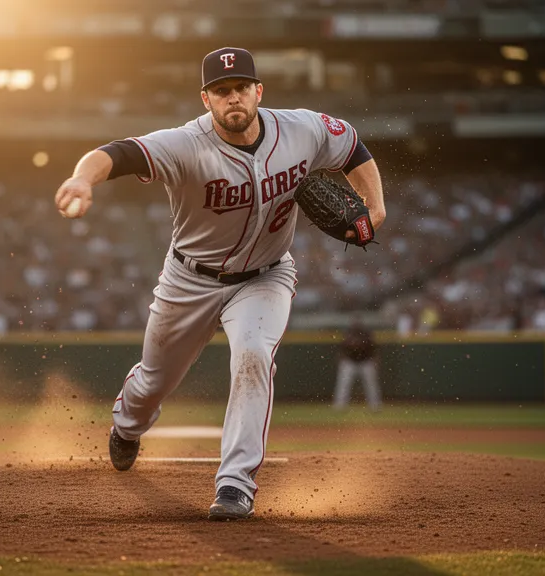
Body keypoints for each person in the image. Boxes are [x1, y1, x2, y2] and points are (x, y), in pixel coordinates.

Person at [54, 47, 386, 520]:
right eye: (222, 90)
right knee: (153, 382)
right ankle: (127, 428)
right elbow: (118, 153)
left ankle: (235, 484)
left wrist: (375, 207)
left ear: (259, 91)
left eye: (242, 88)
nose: (234, 98)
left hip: (266, 276)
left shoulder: (302, 129)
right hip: (189, 280)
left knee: (253, 355)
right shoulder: (184, 143)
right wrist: (83, 178)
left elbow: (353, 146)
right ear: (206, 99)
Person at [332, 319, 382, 411]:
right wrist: (340, 361)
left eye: (358, 324)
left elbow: (374, 350)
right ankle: (340, 405)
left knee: (371, 384)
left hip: (366, 361)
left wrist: (375, 361)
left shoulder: (366, 334)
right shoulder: (348, 334)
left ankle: (375, 405)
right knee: (344, 383)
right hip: (350, 361)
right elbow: (342, 350)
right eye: (355, 324)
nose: (356, 326)